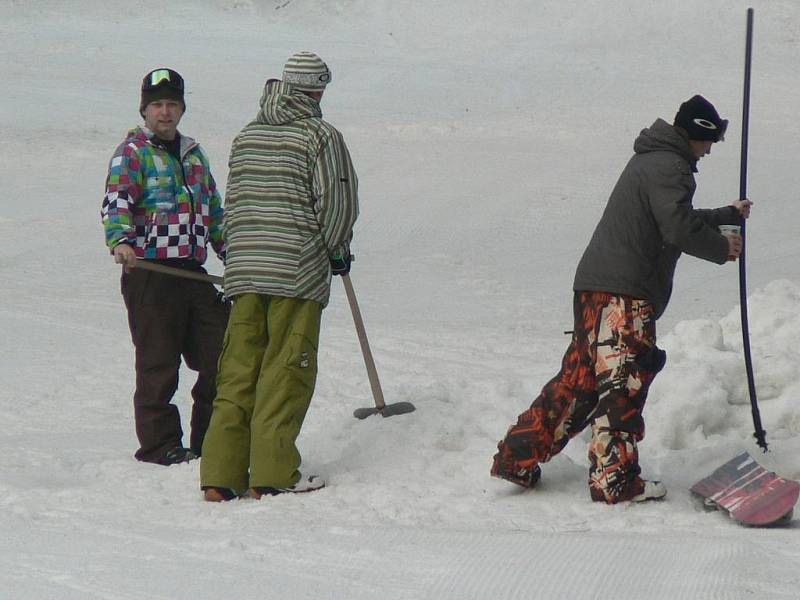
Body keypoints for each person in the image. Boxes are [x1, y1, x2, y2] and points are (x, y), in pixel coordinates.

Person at [491, 95, 753, 504]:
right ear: (697, 133)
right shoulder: (672, 166)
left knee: (579, 382)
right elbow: (675, 225)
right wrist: (722, 248)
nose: (709, 150)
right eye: (710, 141)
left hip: (595, 286)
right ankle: (615, 480)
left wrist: (723, 214)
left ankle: (517, 457)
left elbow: (669, 215)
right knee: (624, 383)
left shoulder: (653, 161)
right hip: (624, 295)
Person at [200, 52, 359, 502]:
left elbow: (233, 204)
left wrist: (240, 257)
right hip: (295, 270)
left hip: (246, 271)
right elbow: (337, 204)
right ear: (315, 90)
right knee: (285, 369)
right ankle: (272, 473)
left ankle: (220, 475)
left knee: (238, 370)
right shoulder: (321, 136)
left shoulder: (246, 135)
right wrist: (336, 251)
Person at [101, 68, 229, 465]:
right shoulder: (133, 152)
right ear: (145, 109)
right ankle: (161, 445)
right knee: (159, 363)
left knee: (222, 356)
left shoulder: (193, 153)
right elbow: (117, 199)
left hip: (192, 273)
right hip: (151, 273)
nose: (165, 112)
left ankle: (212, 441)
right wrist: (120, 240)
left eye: (172, 104)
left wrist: (232, 252)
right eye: (157, 104)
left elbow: (214, 211)